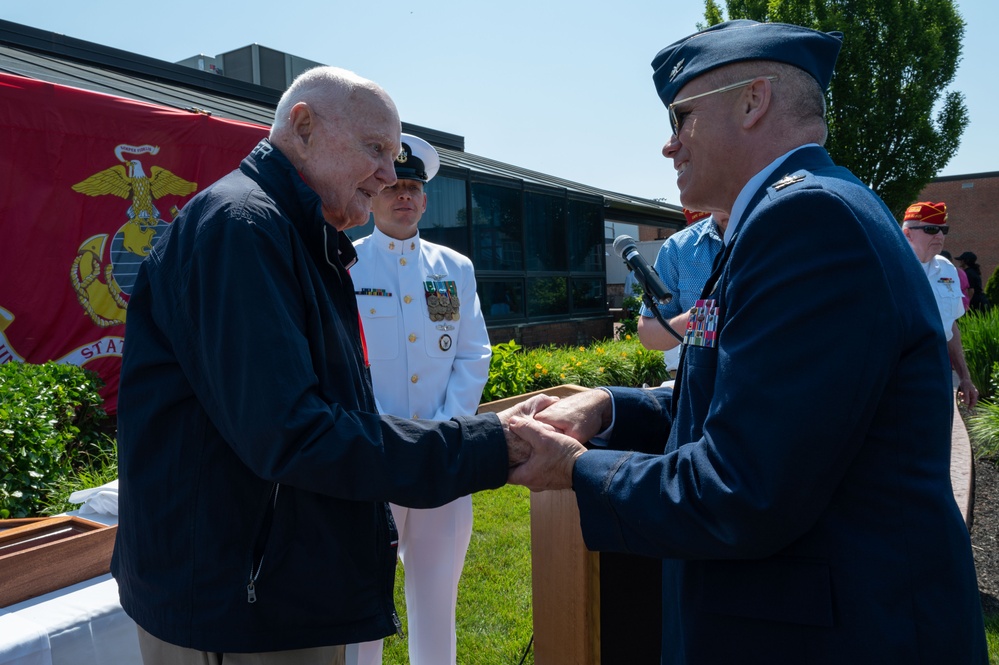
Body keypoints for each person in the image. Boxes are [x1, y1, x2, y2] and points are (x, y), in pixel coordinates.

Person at [506, 20, 987, 664]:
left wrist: (573, 469)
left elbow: (744, 485)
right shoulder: (785, 216)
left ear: (753, 100)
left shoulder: (808, 221)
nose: (669, 146)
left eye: (681, 118)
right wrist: (607, 407)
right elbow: (738, 400)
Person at [113, 66, 549, 665]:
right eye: (376, 149)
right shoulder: (242, 230)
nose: (389, 175)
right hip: (237, 602)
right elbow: (290, 433)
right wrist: (484, 445)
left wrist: (459, 433)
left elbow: (455, 356)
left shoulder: (294, 232)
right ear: (303, 126)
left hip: (268, 584)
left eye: (396, 161)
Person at [346, 134, 491, 665]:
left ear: (424, 199)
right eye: (393, 187)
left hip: (442, 460)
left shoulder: (455, 268)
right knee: (363, 606)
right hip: (372, 457)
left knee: (436, 602)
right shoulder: (345, 265)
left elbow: (473, 353)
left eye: (412, 187)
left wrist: (445, 431)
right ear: (373, 193)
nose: (403, 196)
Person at [902, 202, 979, 408]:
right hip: (899, 372)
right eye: (930, 229)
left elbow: (950, 326)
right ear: (907, 233)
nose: (939, 235)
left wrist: (964, 377)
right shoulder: (890, 266)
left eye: (943, 229)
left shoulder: (946, 269)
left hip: (938, 368)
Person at [637, 208, 728, 376]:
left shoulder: (782, 232)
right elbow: (647, 334)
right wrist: (702, 320)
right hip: (702, 382)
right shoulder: (678, 248)